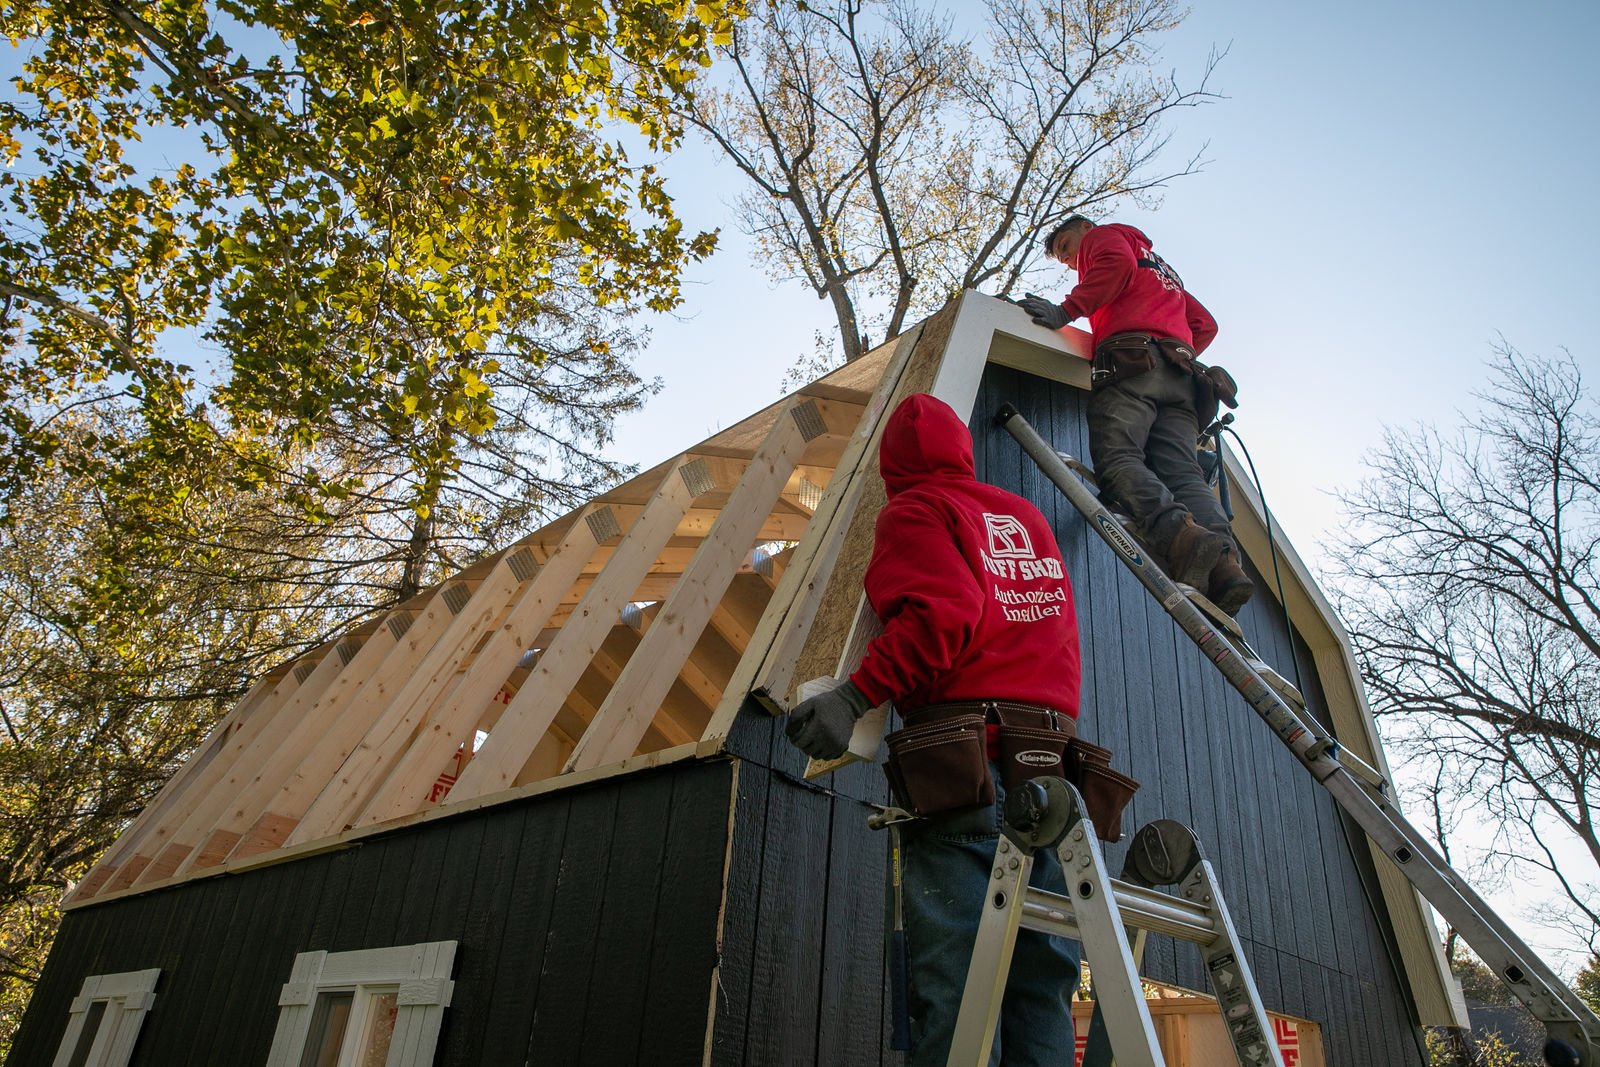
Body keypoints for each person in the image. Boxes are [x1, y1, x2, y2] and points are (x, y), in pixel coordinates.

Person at [785, 393, 1083, 1067]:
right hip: (1054, 779)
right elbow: (1050, 641)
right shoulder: (1025, 516)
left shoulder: (915, 510)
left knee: (956, 991)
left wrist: (853, 694)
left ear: (892, 469)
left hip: (967, 779)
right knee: (1040, 992)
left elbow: (944, 616)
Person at [1017, 215, 1254, 614]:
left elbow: (1116, 267)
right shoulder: (1161, 267)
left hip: (1132, 362)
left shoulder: (1104, 238)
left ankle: (1182, 536)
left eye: (1066, 249)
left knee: (1118, 457)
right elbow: (1204, 324)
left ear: (1082, 229)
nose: (1071, 262)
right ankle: (1225, 566)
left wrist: (1065, 311)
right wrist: (1170, 345)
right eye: (1064, 261)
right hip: (1182, 377)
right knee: (1183, 473)